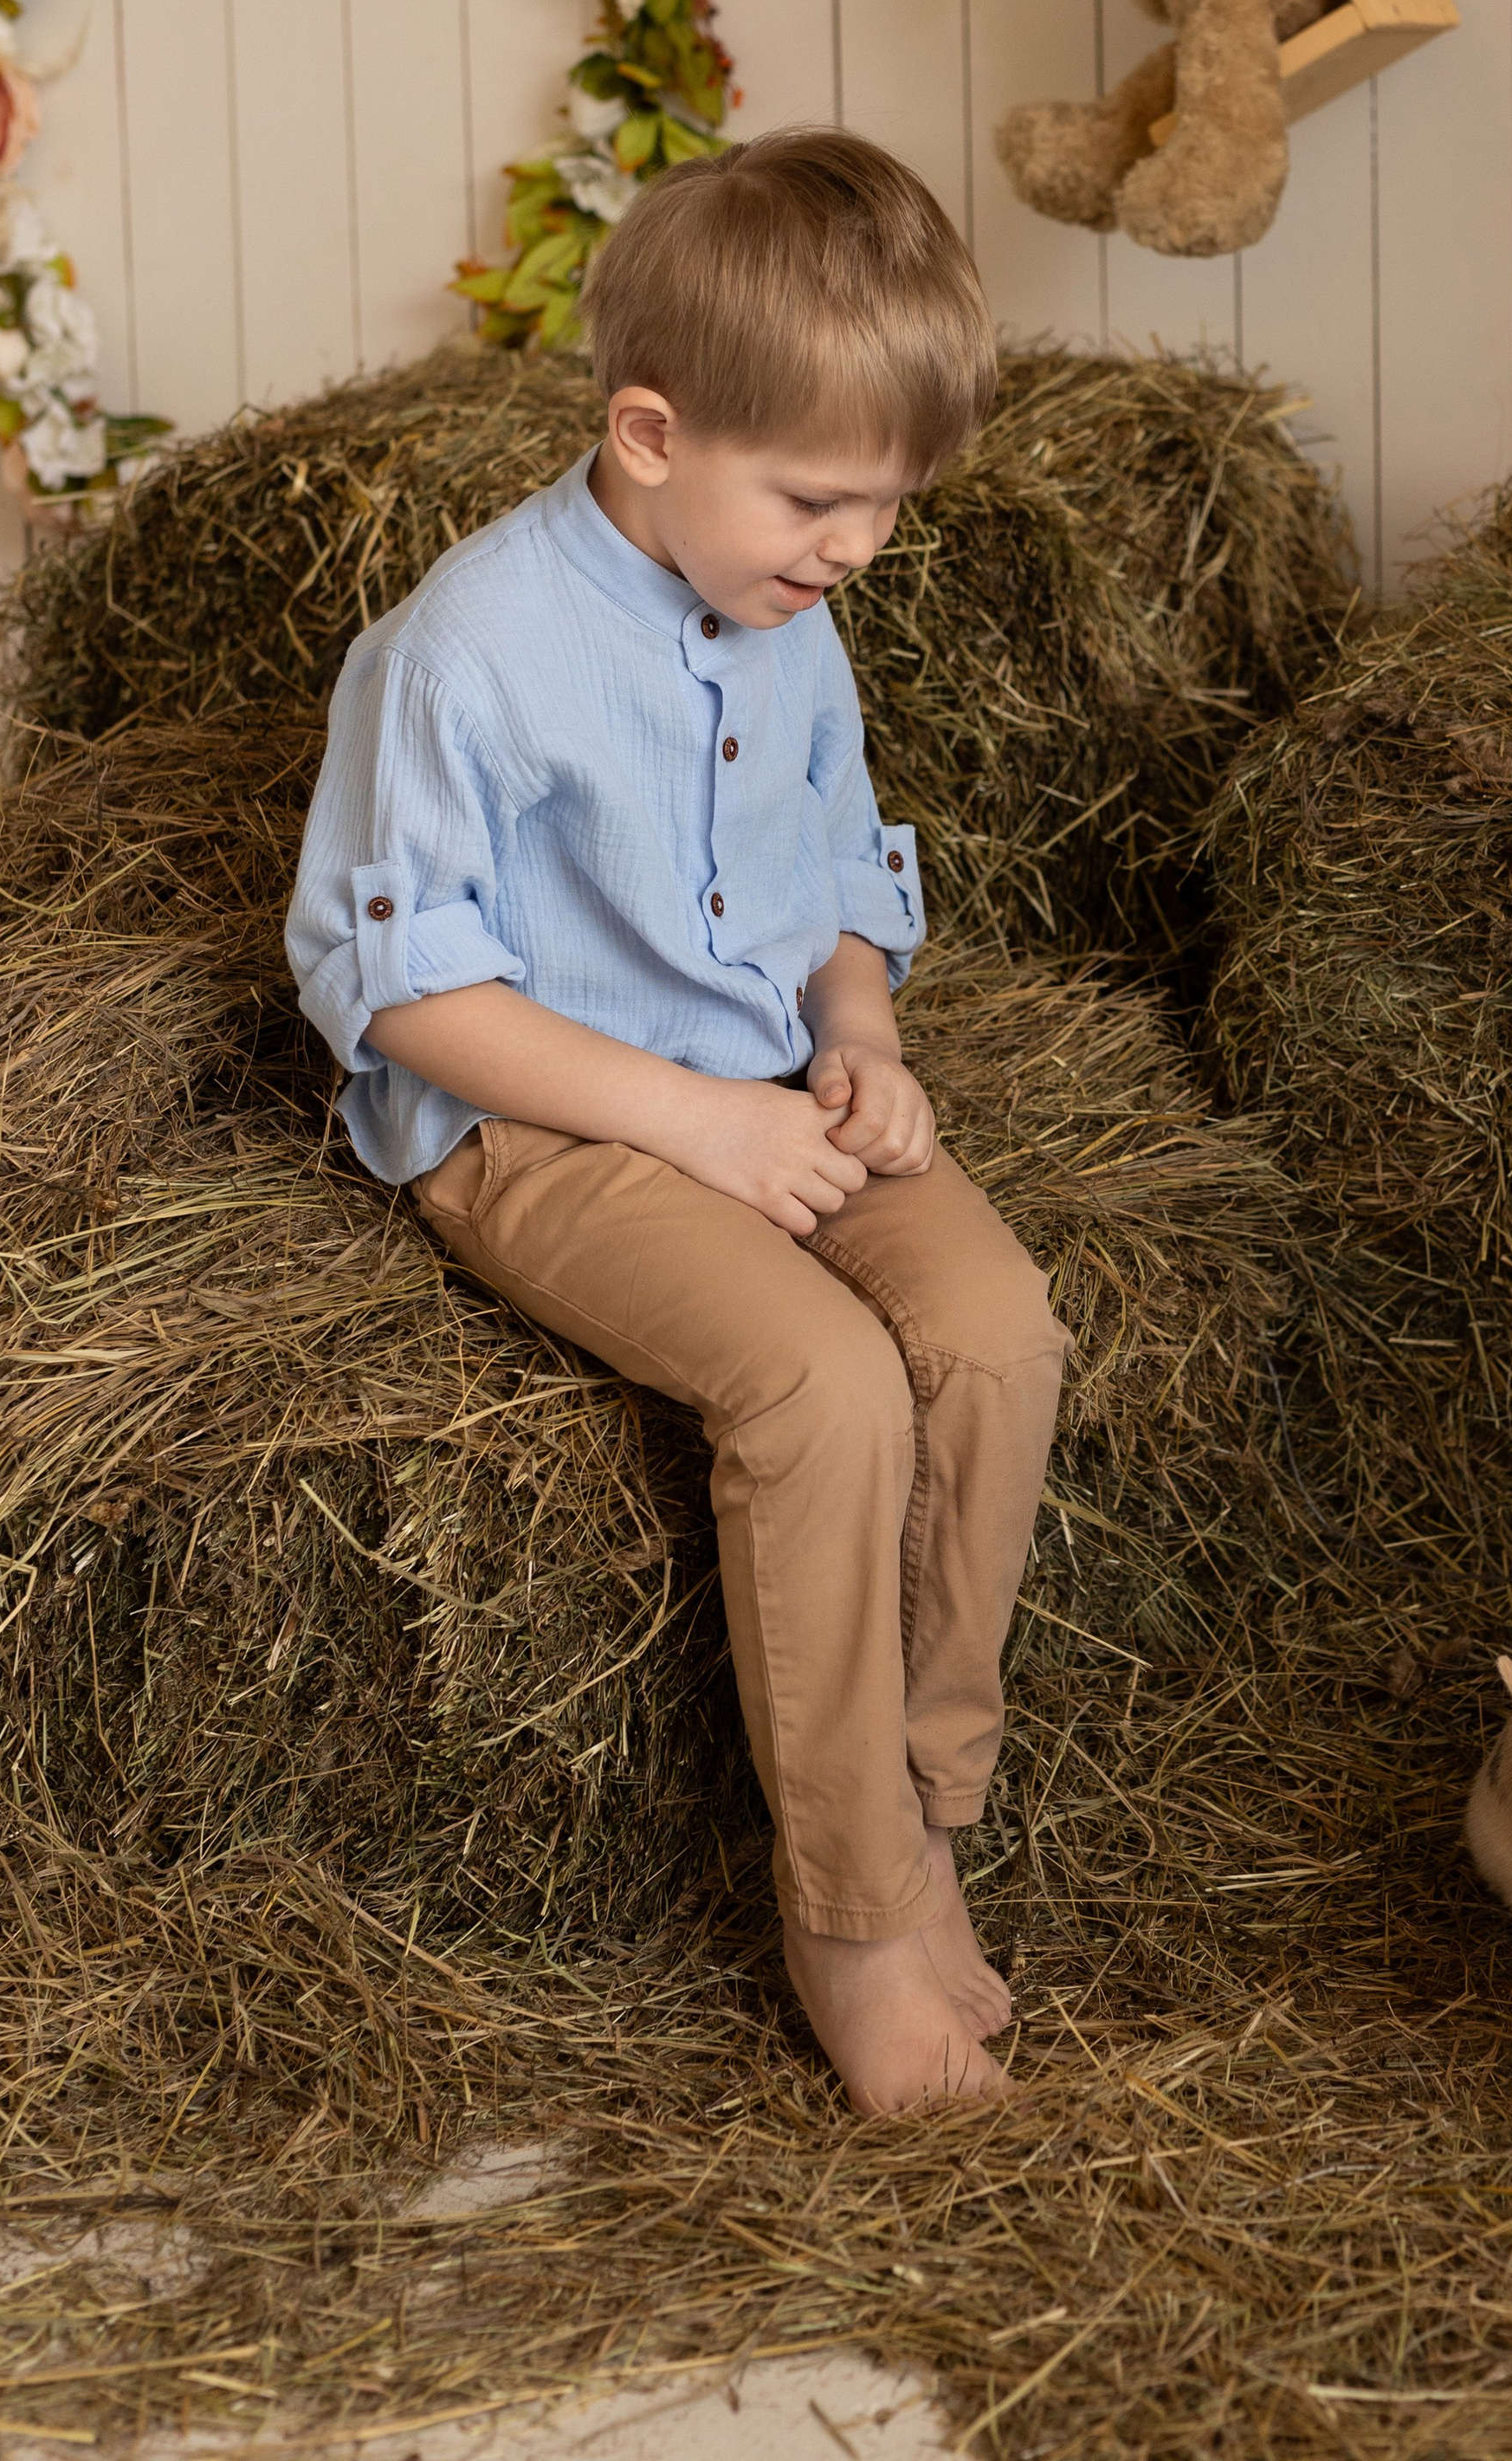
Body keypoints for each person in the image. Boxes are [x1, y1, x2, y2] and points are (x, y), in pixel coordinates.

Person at [286, 130, 1066, 2116]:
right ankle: (848, 1917)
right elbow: (402, 991)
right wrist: (700, 1137)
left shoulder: (793, 615)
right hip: (532, 1112)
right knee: (822, 1387)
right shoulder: (461, 652)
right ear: (646, 431)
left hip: (760, 1072)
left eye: (882, 506)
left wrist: (859, 1029)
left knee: (993, 1334)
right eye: (816, 499)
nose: (851, 550)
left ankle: (921, 1813)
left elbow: (826, 885)